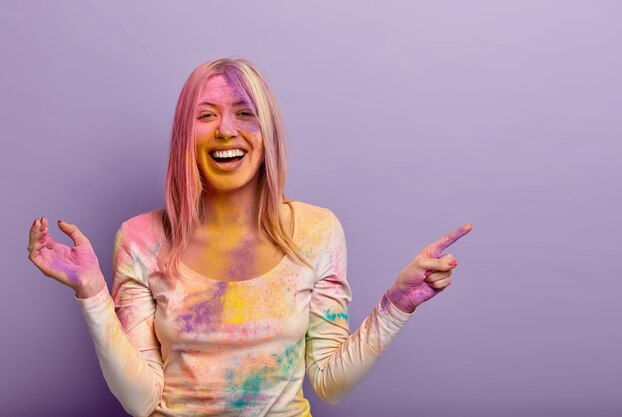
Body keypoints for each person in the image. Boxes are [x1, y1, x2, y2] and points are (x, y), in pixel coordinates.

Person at [27, 57, 472, 417]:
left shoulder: (316, 231)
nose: (226, 130)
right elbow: (140, 400)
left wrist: (396, 306)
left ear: (268, 133)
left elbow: (329, 383)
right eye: (206, 115)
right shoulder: (140, 238)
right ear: (185, 134)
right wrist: (92, 293)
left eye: (245, 114)